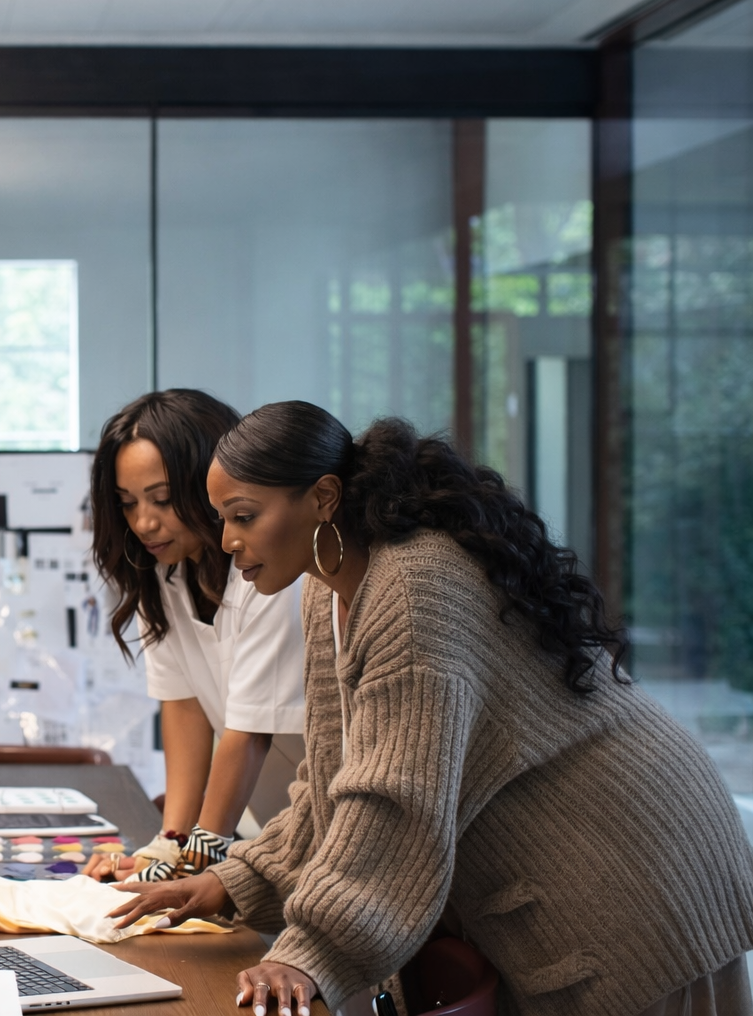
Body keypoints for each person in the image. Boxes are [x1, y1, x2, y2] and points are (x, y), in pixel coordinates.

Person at [110, 401, 753, 1016]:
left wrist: (310, 955)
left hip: (636, 872)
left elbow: (395, 804)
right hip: (586, 872)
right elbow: (335, 782)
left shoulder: (414, 588)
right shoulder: (326, 589)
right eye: (222, 518)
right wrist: (235, 880)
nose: (226, 541)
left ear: (324, 499)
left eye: (244, 516)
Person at [84, 390, 306, 883]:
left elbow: (247, 735)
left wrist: (197, 857)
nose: (143, 522)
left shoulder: (272, 573)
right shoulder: (162, 577)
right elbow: (183, 708)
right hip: (274, 821)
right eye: (127, 504)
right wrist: (169, 844)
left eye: (162, 500)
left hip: (331, 814)